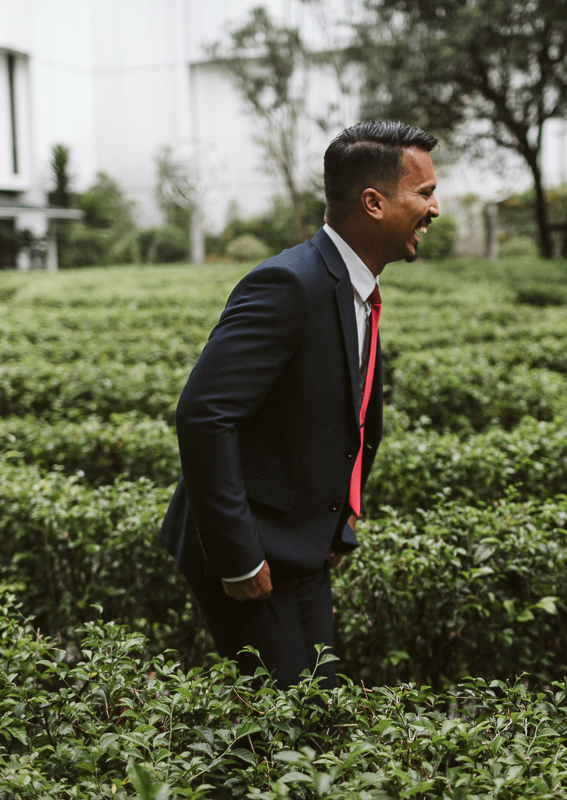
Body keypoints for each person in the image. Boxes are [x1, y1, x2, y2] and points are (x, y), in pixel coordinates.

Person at [158, 121, 439, 688]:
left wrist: (337, 530)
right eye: (425, 193)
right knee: (285, 738)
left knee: (321, 711)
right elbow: (204, 414)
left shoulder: (355, 283)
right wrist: (240, 558)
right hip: (250, 556)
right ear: (374, 202)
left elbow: (346, 420)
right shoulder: (287, 284)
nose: (435, 210)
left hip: (305, 548)